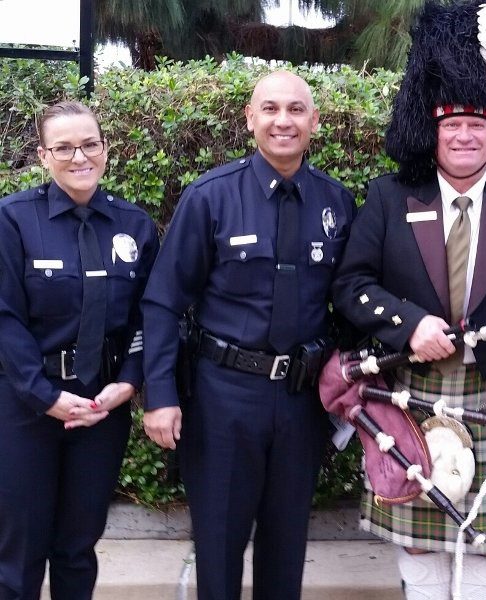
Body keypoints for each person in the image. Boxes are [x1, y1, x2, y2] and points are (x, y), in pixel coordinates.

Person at [331, 2, 486, 598]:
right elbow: (351, 286)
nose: (464, 135)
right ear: (433, 132)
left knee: (484, 544)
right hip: (410, 394)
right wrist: (409, 325)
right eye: (452, 125)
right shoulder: (389, 198)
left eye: (477, 126)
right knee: (416, 541)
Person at [141, 70, 356, 600]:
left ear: (314, 121)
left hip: (301, 398)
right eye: (270, 109)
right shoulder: (210, 197)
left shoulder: (337, 202)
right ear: (250, 119)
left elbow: (351, 299)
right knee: (219, 546)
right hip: (223, 396)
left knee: (286, 550)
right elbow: (164, 300)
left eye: (296, 109)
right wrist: (161, 396)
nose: (283, 120)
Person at [0, 101, 158, 598]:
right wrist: (44, 395)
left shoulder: (133, 225)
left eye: (89, 144)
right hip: (26, 408)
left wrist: (128, 382)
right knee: (19, 551)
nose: (79, 156)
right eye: (63, 147)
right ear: (44, 156)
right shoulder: (12, 221)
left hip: (100, 407)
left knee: (77, 545)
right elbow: (4, 317)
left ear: (105, 149)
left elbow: (147, 317)